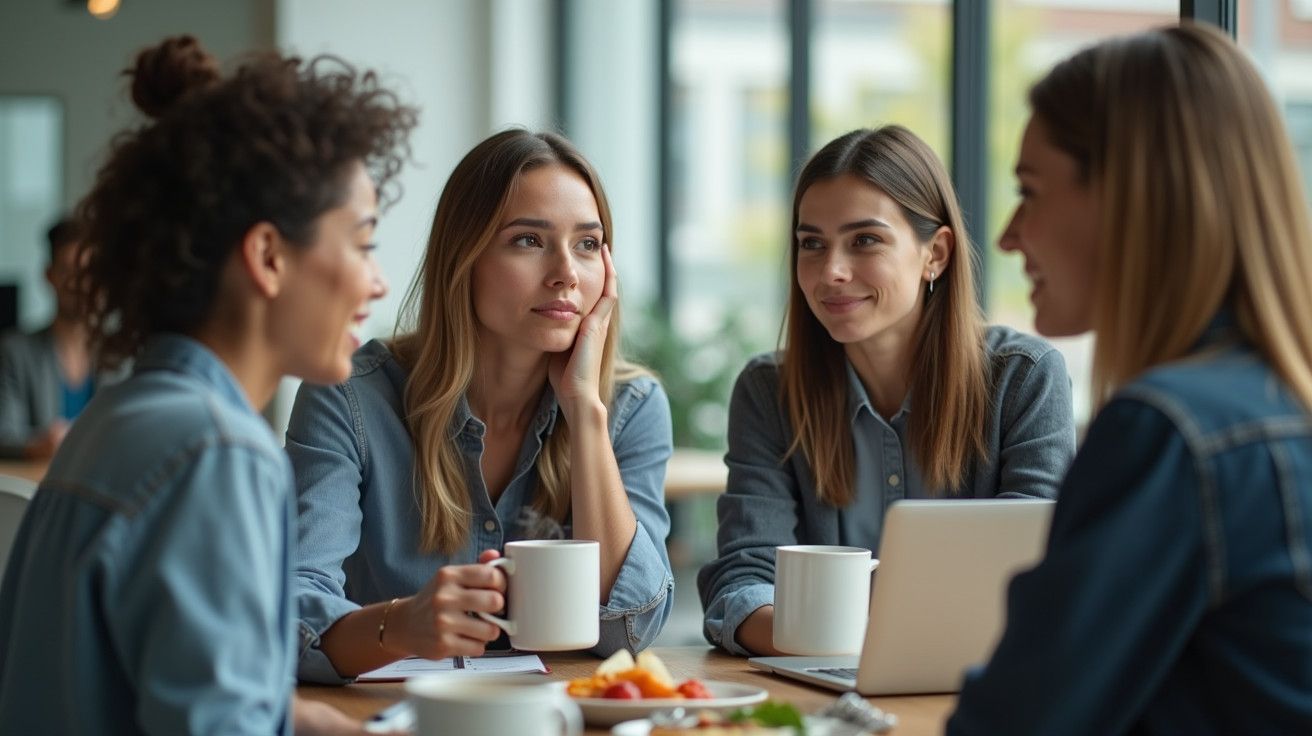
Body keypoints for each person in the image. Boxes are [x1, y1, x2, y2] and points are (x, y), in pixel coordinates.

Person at [0, 36, 416, 735]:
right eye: (364, 243)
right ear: (268, 257)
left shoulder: (122, 417)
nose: (377, 282)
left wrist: (309, 720)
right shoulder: (218, 454)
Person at [947, 23, 1312, 734]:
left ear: (1128, 196)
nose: (1007, 235)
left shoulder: (1167, 432)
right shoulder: (1278, 409)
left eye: (1030, 190)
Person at [287, 129, 675, 683]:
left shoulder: (631, 407)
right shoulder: (349, 398)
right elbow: (292, 613)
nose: (566, 271)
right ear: (463, 259)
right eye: (528, 241)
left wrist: (585, 413)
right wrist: (403, 625)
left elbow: (627, 629)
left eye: (588, 244)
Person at [698, 125, 1077, 656]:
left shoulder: (1023, 378)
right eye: (812, 244)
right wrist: (850, 646)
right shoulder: (770, 392)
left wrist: (826, 629)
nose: (831, 271)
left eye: (865, 240)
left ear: (936, 255)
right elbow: (742, 582)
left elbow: (1035, 576)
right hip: (818, 686)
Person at [0, 217, 102, 459]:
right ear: (49, 275)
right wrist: (37, 446)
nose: (79, 284)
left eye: (88, 272)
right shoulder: (14, 351)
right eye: (69, 271)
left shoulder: (123, 355)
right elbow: (4, 433)